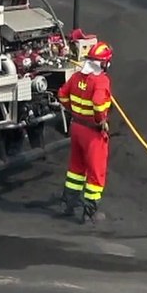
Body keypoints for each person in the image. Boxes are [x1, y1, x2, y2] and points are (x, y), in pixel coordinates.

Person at [57, 41, 113, 222]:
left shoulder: (76, 77)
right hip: (92, 132)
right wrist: (101, 120)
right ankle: (91, 211)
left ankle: (68, 204)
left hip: (76, 127)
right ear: (104, 63)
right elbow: (98, 102)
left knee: (76, 168)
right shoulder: (101, 80)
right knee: (96, 172)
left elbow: (62, 94)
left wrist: (73, 110)